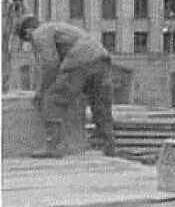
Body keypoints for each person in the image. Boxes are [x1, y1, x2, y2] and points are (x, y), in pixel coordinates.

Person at [17, 16, 116, 157]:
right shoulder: (58, 27)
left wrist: (41, 92)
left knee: (53, 98)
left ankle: (52, 146)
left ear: (28, 32)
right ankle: (110, 148)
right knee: (101, 106)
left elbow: (50, 64)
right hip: (101, 60)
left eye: (28, 40)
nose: (32, 44)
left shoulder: (40, 32)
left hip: (79, 60)